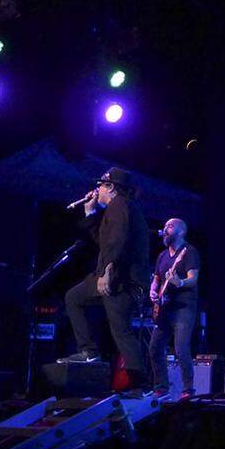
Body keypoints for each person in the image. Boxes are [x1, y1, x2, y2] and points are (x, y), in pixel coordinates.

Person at [58, 167, 152, 396]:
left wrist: (107, 270)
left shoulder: (120, 205)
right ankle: (88, 352)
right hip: (114, 275)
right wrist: (90, 213)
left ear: (110, 187)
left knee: (121, 330)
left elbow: (118, 240)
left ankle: (140, 384)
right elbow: (104, 240)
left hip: (122, 279)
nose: (96, 189)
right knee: (74, 297)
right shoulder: (116, 208)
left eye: (100, 185)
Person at [147, 218, 200, 400]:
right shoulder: (162, 256)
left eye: (169, 226)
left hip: (184, 308)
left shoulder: (189, 252)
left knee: (181, 348)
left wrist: (181, 282)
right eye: (164, 226)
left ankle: (188, 390)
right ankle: (161, 387)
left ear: (181, 231)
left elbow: (193, 278)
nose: (165, 229)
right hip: (165, 308)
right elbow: (156, 278)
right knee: (155, 348)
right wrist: (153, 290)